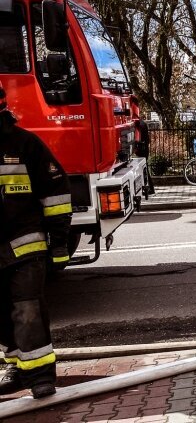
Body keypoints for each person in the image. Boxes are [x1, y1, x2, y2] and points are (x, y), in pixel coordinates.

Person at [0, 82, 71, 399]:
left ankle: (41, 375)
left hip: (23, 247)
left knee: (28, 311)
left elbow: (56, 195)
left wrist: (58, 244)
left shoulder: (25, 144)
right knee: (2, 315)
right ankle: (16, 367)